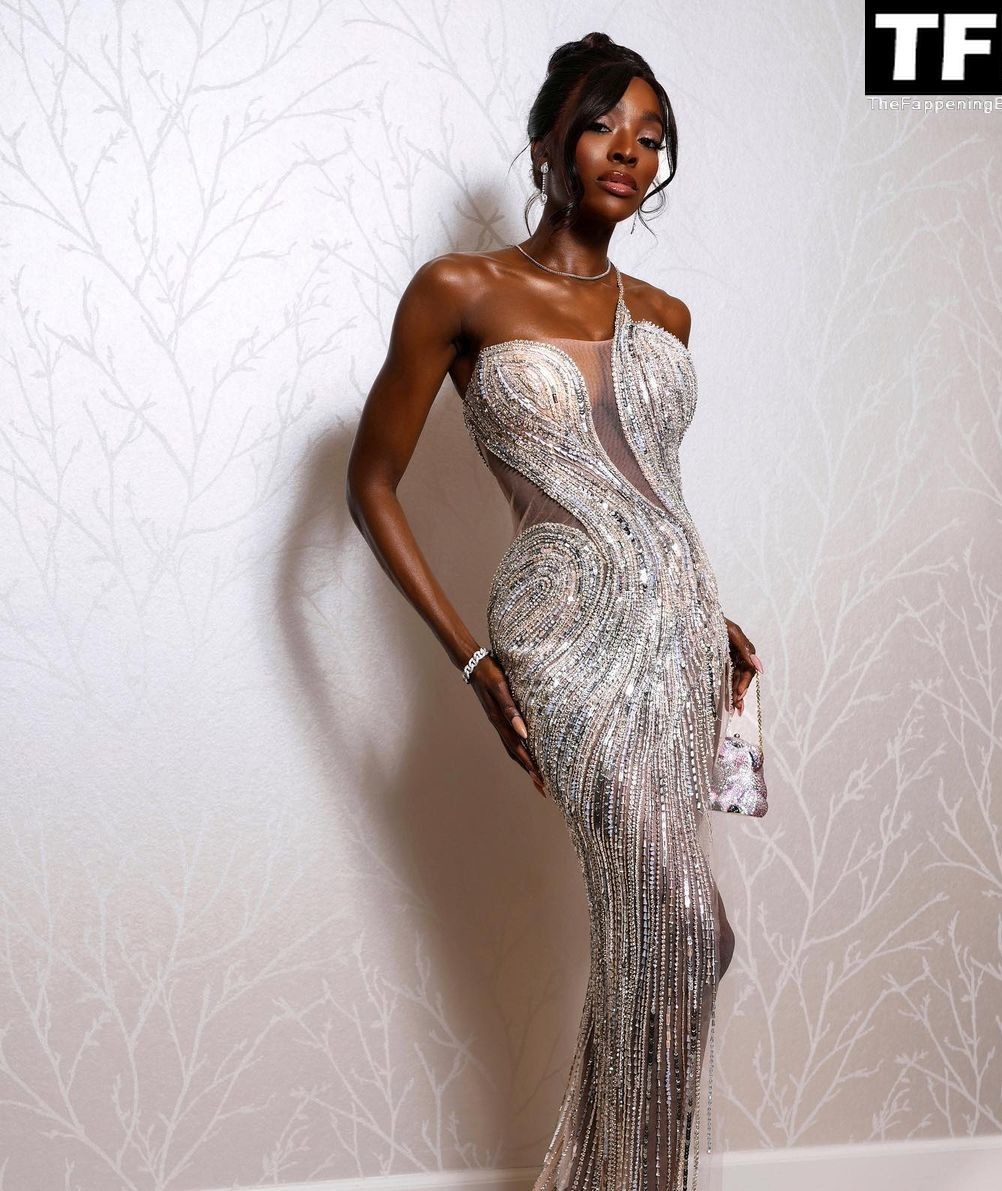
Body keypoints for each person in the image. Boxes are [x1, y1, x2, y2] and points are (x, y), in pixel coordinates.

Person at [347, 30, 764, 1191]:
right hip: (561, 635)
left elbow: (646, 484)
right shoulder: (460, 291)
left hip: (679, 638)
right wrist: (471, 662)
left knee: (668, 939)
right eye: (602, 126)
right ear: (547, 145)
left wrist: (709, 613)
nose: (629, 151)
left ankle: (620, 1179)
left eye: (652, 136)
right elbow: (369, 483)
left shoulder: (665, 314)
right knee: (684, 927)